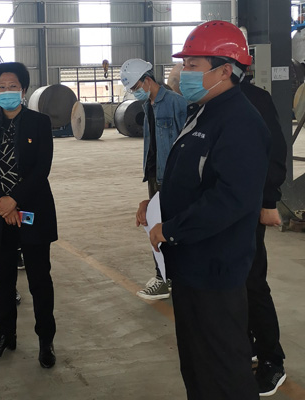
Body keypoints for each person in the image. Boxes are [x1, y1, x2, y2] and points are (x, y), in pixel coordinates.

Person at [138, 21, 270, 399]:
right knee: (196, 364)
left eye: (193, 65)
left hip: (215, 269)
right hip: (191, 264)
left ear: (225, 71)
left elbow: (230, 199)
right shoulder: (204, 111)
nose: (184, 72)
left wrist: (172, 228)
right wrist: (156, 206)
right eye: (185, 64)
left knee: (223, 369)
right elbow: (190, 179)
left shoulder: (240, 122)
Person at [0, 62, 57, 368]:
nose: (6, 91)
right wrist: (1, 202)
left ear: (23, 90)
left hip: (32, 209)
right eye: (1, 87)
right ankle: (5, 336)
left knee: (39, 279)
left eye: (12, 86)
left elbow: (41, 169)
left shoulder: (39, 122)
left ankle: (45, 340)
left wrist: (15, 201)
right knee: (4, 279)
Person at [120, 58, 188, 300]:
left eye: (135, 87)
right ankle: (164, 275)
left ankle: (166, 280)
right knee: (154, 224)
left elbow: (187, 142)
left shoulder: (176, 103)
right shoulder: (148, 105)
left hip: (172, 178)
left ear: (147, 80)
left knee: (169, 228)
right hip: (155, 176)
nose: (134, 92)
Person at [241, 75, 288, 396]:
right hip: (220, 211)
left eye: (193, 64)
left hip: (248, 208)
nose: (188, 72)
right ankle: (247, 345)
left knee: (253, 283)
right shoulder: (203, 103)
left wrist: (268, 201)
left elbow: (274, 152)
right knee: (234, 284)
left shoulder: (255, 99)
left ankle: (272, 360)